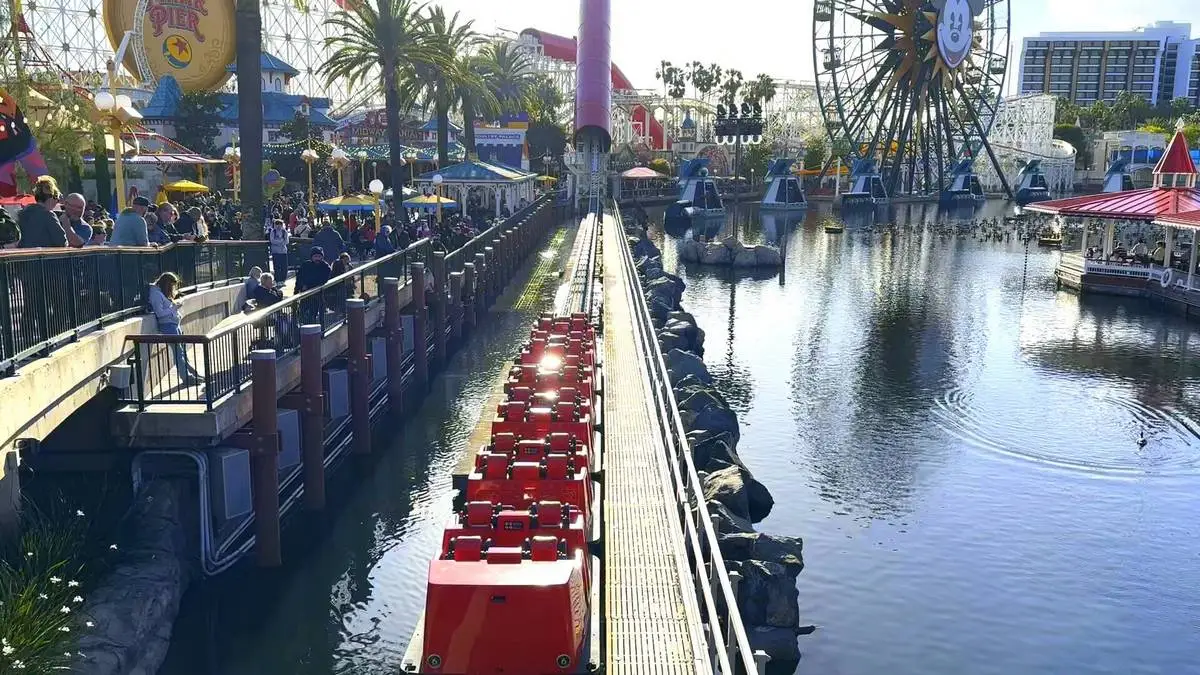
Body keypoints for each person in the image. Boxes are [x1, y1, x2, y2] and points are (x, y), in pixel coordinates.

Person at [147, 272, 201, 386]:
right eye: (171, 286)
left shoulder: (161, 292)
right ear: (166, 284)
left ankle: (191, 373)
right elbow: (160, 313)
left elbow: (167, 306)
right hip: (168, 326)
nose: (172, 289)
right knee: (178, 352)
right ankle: (186, 377)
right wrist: (174, 308)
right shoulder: (155, 294)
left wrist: (174, 305)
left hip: (174, 324)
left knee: (182, 351)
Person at [17, 176, 67, 248]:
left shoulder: (22, 213)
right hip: (44, 257)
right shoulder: (49, 215)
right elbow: (62, 242)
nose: (57, 202)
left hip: (23, 257)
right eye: (57, 199)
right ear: (51, 197)